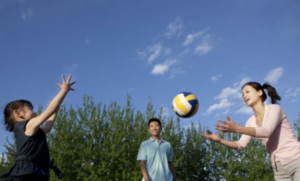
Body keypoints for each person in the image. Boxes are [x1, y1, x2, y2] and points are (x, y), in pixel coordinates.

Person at [201, 82, 300, 181]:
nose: (244, 96)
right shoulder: (250, 121)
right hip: (279, 169)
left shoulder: (274, 109)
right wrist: (220, 140)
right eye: (242, 95)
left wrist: (236, 128)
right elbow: (240, 145)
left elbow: (266, 131)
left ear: (260, 92)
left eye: (247, 92)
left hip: (296, 159)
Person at [1, 75, 76, 181]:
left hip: (37, 171)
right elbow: (49, 110)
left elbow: (48, 127)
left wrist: (56, 108)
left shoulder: (31, 130)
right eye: (30, 109)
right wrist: (64, 91)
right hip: (26, 172)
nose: (35, 112)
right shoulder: (25, 125)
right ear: (18, 113)